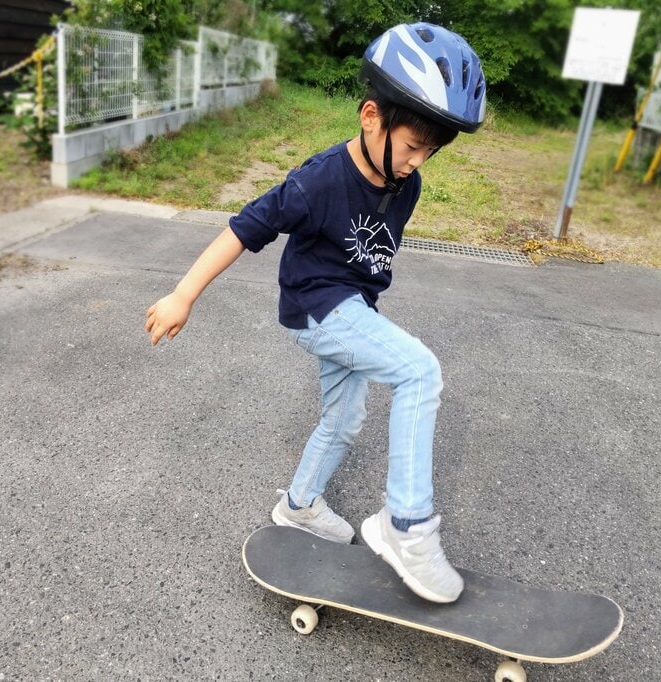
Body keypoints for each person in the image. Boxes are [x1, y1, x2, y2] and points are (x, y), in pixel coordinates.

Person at [146, 22, 487, 604]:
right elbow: (243, 229)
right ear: (371, 116)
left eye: (428, 152)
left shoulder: (409, 184)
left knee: (344, 419)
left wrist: (366, 305)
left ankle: (299, 507)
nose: (414, 164)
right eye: (410, 147)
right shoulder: (316, 181)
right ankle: (406, 526)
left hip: (353, 308)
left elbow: (370, 248)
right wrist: (184, 294)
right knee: (418, 370)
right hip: (316, 308)